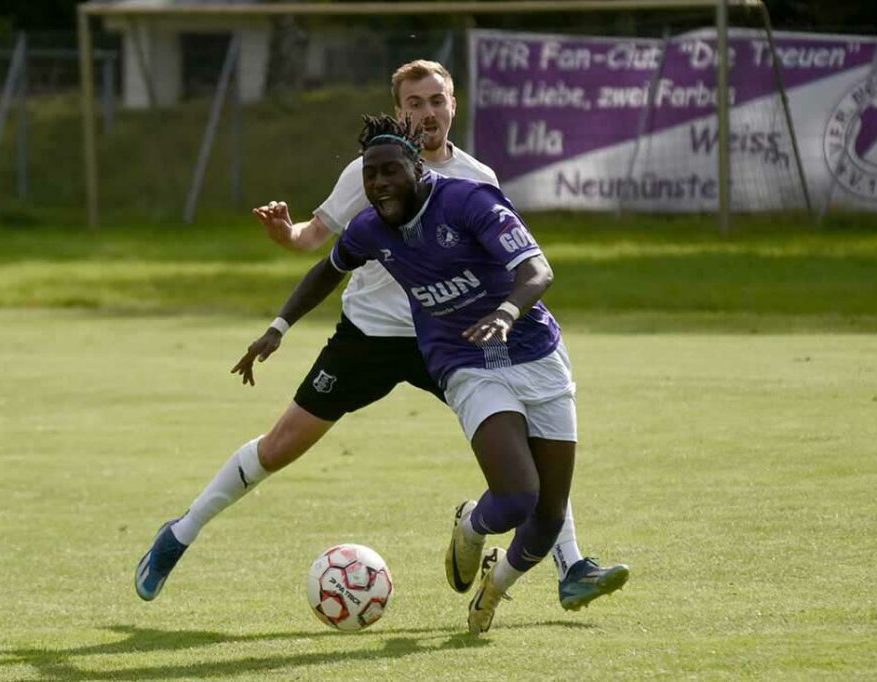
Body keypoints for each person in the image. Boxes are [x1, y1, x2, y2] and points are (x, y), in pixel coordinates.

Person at [135, 60, 612, 611]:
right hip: (372, 335)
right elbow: (317, 243)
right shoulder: (373, 168)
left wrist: (505, 315)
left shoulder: (477, 180)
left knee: (533, 443)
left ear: (454, 105)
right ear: (399, 111)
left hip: (456, 342)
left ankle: (570, 563)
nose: (427, 112)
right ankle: (181, 533)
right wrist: (284, 238)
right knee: (281, 445)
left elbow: (514, 264)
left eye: (437, 100)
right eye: (414, 103)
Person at [230, 114, 629, 634]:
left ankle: (494, 588)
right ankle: (472, 525)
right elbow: (328, 268)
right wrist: (279, 327)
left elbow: (538, 271)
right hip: (464, 361)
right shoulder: (371, 228)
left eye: (390, 171)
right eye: (371, 175)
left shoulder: (469, 202)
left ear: (417, 166)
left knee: (548, 517)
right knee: (515, 498)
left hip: (535, 353)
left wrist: (506, 313)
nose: (379, 185)